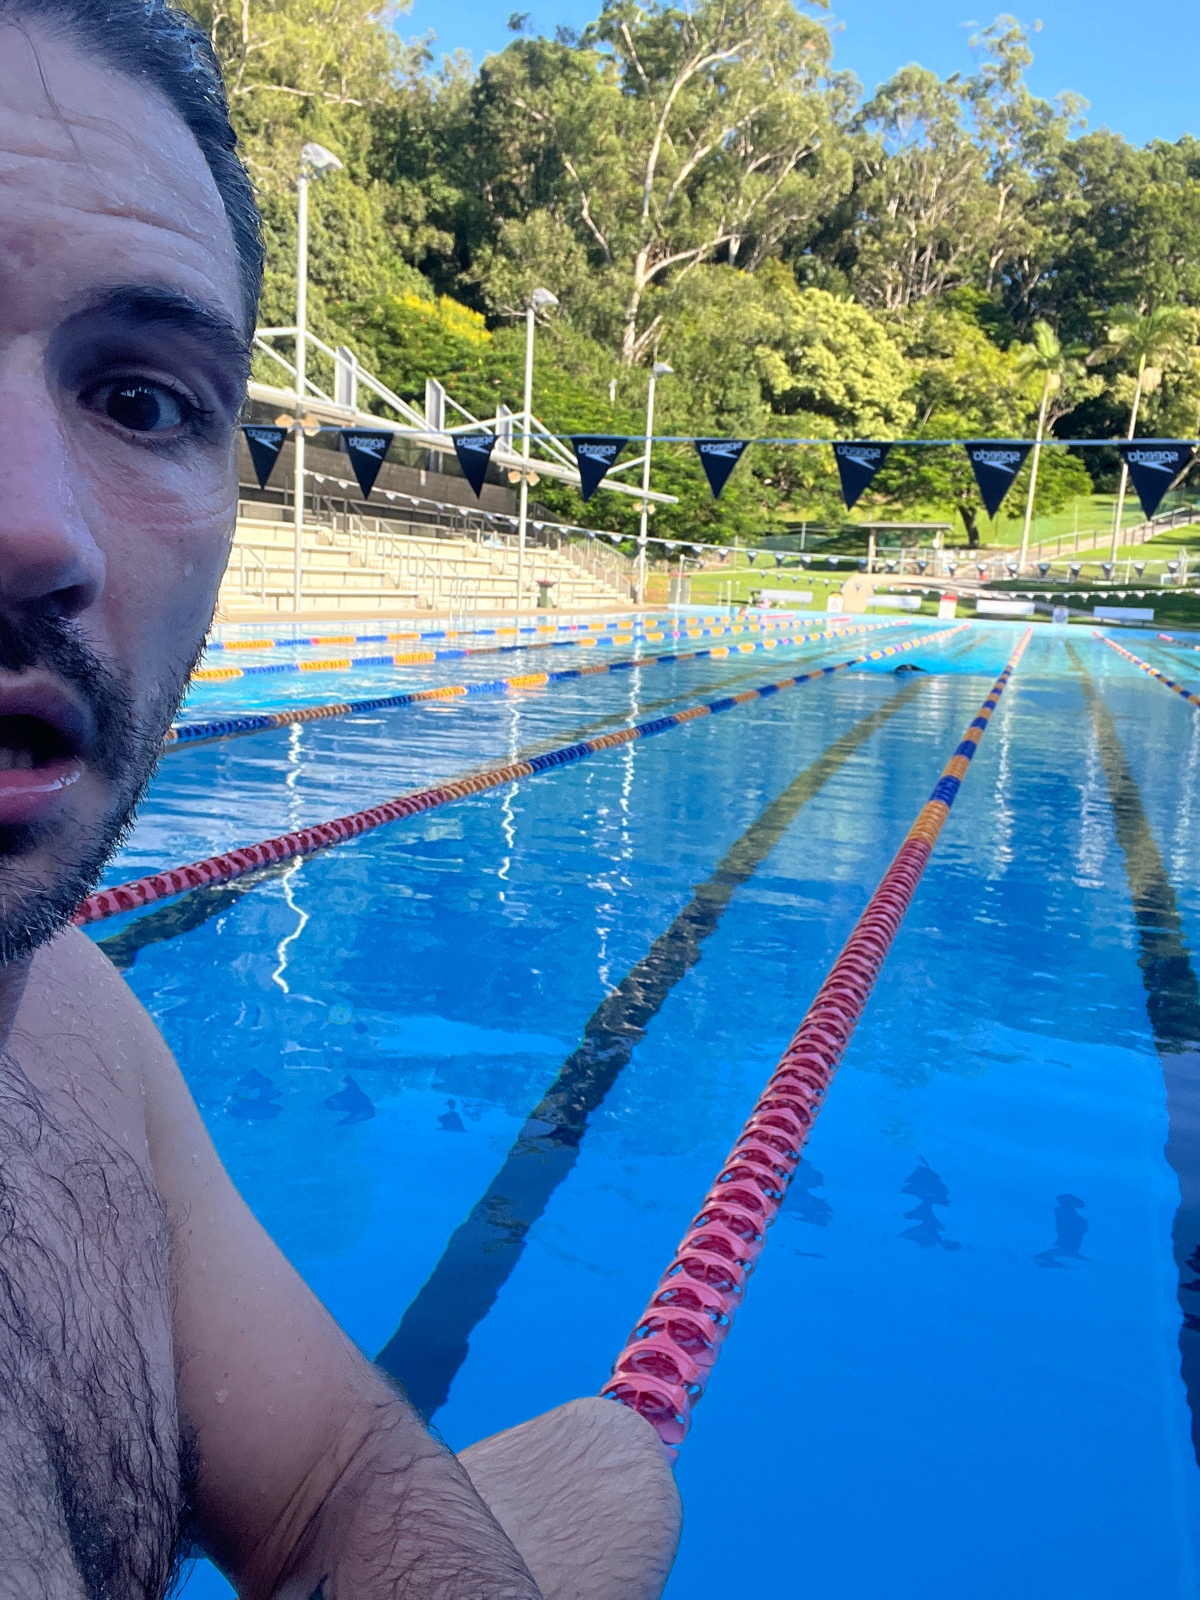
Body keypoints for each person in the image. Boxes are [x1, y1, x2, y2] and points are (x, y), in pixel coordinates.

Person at [0, 5, 681, 1597]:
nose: (38, 532)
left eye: (141, 400)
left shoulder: (70, 1017)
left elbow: (334, 1477)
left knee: (609, 1467)